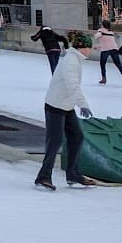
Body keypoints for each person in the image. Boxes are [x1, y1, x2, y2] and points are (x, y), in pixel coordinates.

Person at [35, 32, 94, 191]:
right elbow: (72, 85)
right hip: (55, 105)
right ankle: (43, 177)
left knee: (77, 136)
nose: (91, 50)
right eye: (90, 47)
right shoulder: (70, 61)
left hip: (66, 105)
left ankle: (73, 174)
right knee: (55, 142)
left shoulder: (74, 58)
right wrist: (83, 104)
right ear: (82, 47)